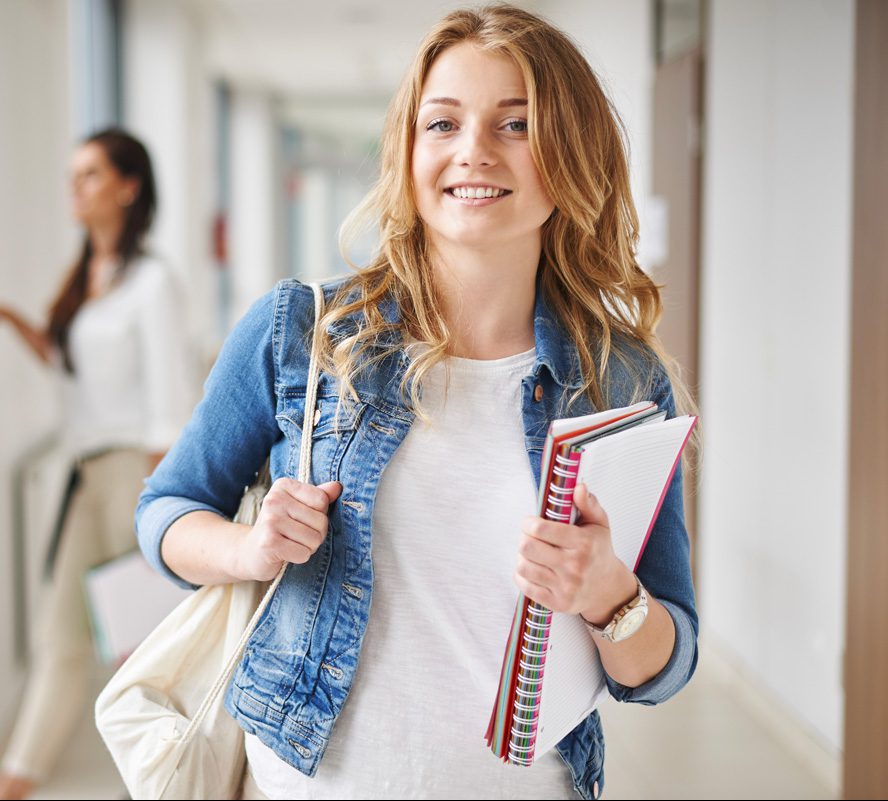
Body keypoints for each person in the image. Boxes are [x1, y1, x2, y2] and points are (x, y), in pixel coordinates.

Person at [135, 5, 699, 800]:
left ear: (571, 155)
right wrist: (248, 549)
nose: (473, 151)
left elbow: (665, 666)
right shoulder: (304, 332)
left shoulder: (624, 377)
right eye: (443, 123)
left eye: (516, 124)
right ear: (407, 151)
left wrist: (610, 595)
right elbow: (166, 510)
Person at [0, 129, 195, 800]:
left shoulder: (152, 282)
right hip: (85, 474)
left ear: (127, 187)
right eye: (72, 175)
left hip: (134, 475)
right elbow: (70, 364)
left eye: (89, 174)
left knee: (143, 645)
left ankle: (163, 778)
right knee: (60, 633)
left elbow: (171, 397)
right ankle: (17, 777)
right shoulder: (88, 277)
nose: (74, 188)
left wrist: (159, 501)